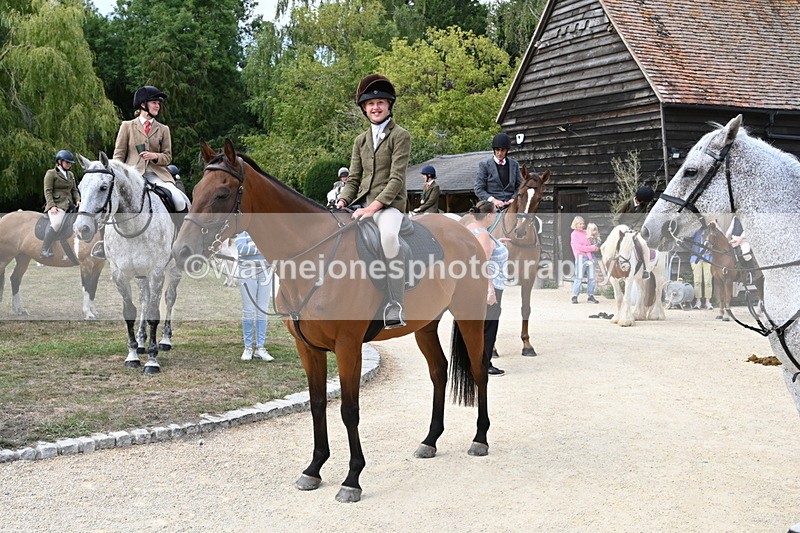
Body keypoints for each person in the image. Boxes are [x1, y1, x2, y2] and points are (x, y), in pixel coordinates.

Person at [335, 74, 411, 329]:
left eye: (380, 102)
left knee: (388, 238)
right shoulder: (360, 141)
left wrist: (373, 207)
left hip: (389, 206)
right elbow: (354, 178)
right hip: (361, 203)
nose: (375, 107)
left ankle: (395, 303)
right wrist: (343, 200)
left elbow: (397, 178)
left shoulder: (400, 135)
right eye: (370, 104)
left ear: (389, 105)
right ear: (364, 109)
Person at [466, 200, 509, 376]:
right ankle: (484, 363)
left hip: (472, 285)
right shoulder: (483, 235)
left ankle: (473, 360)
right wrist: (490, 290)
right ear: (490, 215)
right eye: (495, 214)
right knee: (489, 325)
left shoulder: (471, 228)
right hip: (489, 286)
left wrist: (496, 242)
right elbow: (484, 263)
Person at [235, 231, 274, 361]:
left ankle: (260, 347)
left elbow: (274, 248)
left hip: (266, 271)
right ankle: (248, 348)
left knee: (263, 310)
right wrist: (263, 249)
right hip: (247, 271)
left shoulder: (266, 228)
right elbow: (242, 248)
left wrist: (259, 250)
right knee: (249, 310)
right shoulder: (242, 231)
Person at [41, 150, 81, 258]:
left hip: (70, 205)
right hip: (57, 205)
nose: (69, 164)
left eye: (70, 163)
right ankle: (44, 249)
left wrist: (77, 200)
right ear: (59, 161)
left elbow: (74, 190)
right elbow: (47, 191)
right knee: (57, 223)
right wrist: (52, 206)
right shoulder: (51, 173)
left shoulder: (71, 174)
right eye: (67, 162)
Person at [474, 132, 522, 210]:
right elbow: (478, 189)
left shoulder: (514, 165)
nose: (499, 153)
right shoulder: (484, 165)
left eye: (502, 150)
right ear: (494, 149)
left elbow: (520, 186)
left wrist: (513, 198)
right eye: (497, 150)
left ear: (507, 151)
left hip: (511, 205)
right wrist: (493, 200)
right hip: (491, 206)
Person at [570, 216, 600, 304]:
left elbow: (589, 243)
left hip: (590, 256)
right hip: (581, 257)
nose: (582, 225)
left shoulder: (585, 232)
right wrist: (592, 248)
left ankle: (590, 296)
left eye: (583, 223)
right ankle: (574, 296)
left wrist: (592, 247)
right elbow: (578, 247)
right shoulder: (574, 234)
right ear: (575, 224)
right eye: (580, 224)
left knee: (591, 278)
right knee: (579, 277)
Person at [689, 227, 714, 310]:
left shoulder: (711, 230)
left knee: (708, 281)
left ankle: (708, 301)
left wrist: (715, 224)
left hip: (708, 257)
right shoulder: (696, 230)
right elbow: (689, 234)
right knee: (697, 281)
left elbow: (721, 233)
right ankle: (698, 301)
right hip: (696, 257)